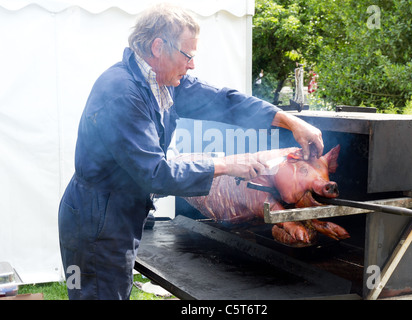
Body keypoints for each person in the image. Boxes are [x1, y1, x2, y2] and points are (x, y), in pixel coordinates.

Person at [58, 3, 323, 300]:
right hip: (98, 220)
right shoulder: (122, 93)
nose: (192, 65)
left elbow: (224, 102)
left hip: (116, 212)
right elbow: (155, 173)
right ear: (158, 47)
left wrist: (289, 121)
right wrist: (225, 164)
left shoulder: (163, 82)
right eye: (188, 55)